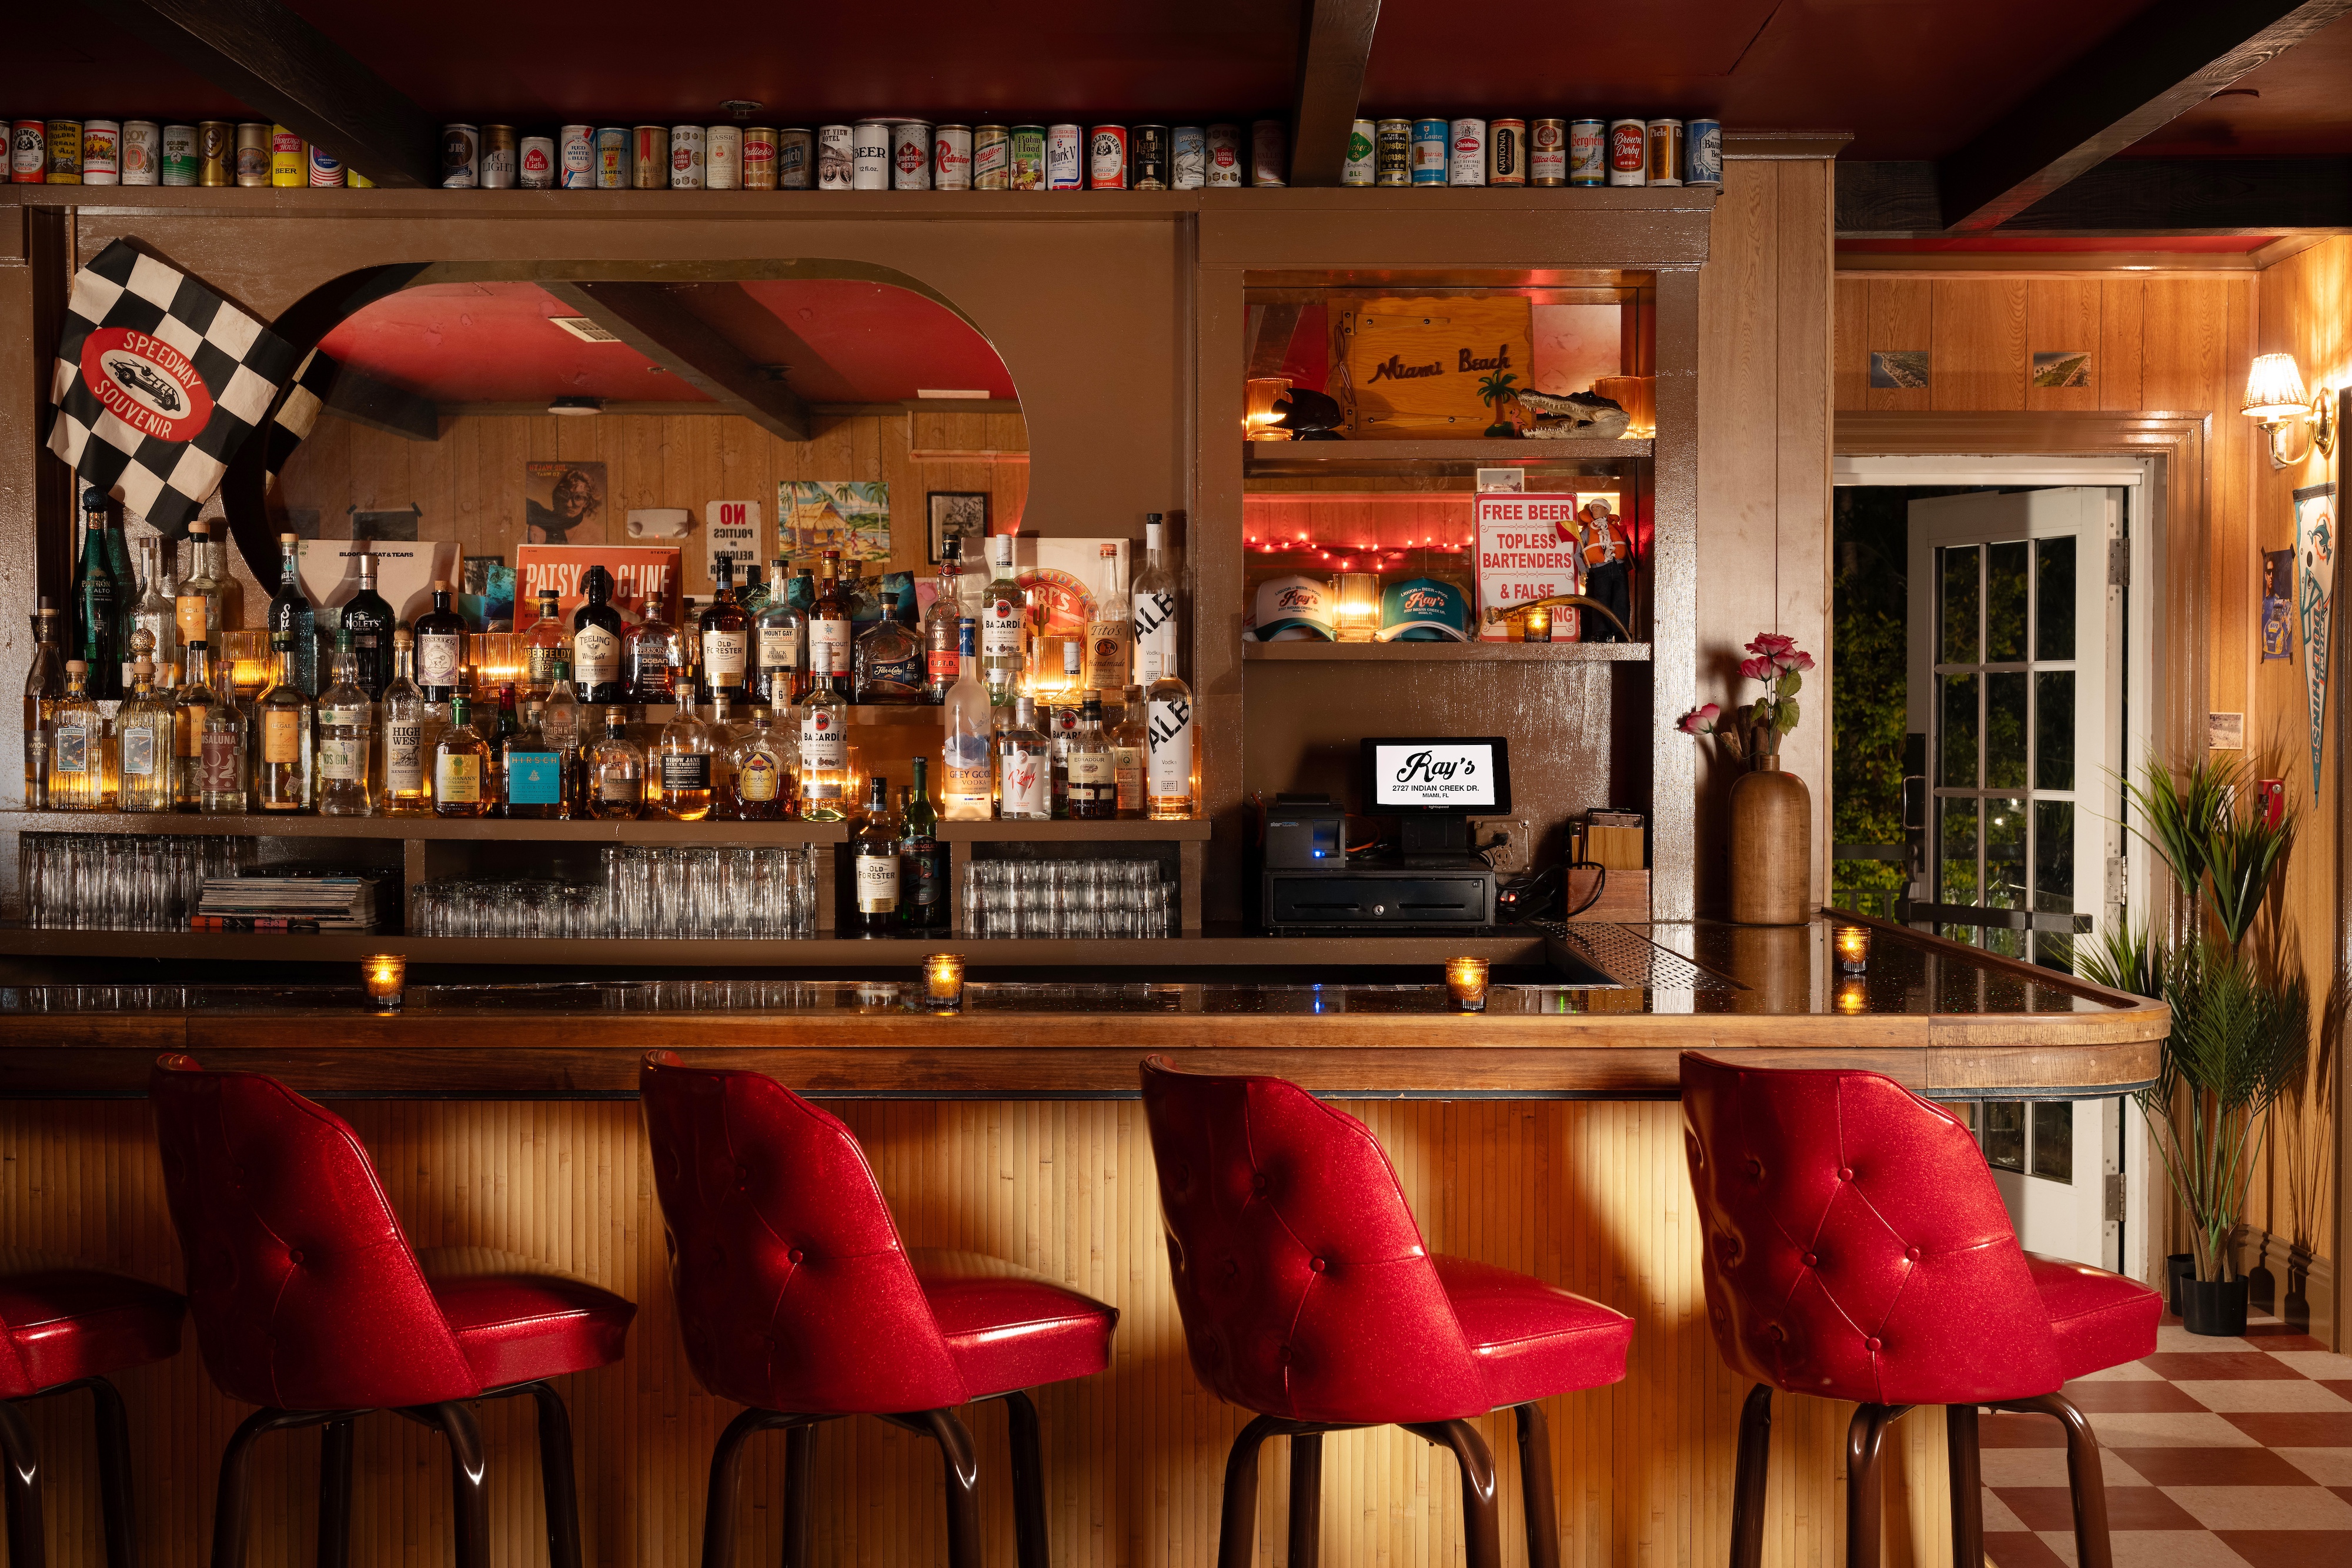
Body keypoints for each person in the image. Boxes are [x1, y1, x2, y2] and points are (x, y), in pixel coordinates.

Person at [1575, 497, 1633, 642]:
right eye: (1593, 508)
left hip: (1618, 568)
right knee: (1601, 601)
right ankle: (1601, 631)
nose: (1594, 510)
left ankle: (1621, 631)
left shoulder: (1616, 529)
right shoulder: (1587, 533)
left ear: (1606, 510)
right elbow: (1578, 554)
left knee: (1621, 600)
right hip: (1600, 570)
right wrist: (1583, 571)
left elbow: (1626, 545)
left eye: (1598, 508)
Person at [527, 466, 600, 544]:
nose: (569, 504)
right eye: (565, 494)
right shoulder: (539, 529)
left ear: (587, 503)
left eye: (578, 498)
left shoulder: (594, 534)